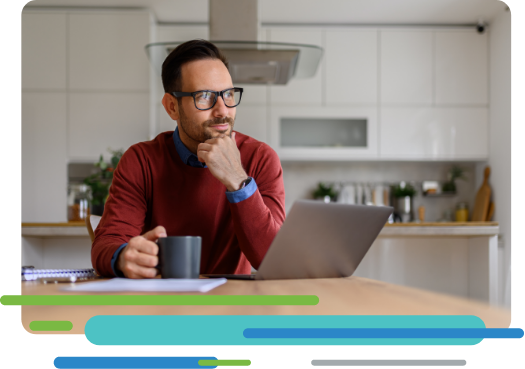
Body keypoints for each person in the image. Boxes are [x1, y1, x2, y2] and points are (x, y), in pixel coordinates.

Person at [91, 40, 286, 278]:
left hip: (234, 307)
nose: (223, 110)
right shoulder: (141, 161)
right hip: (161, 308)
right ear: (172, 106)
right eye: (204, 96)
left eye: (228, 94)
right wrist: (124, 257)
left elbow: (274, 259)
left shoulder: (260, 158)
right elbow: (106, 244)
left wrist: (238, 180)